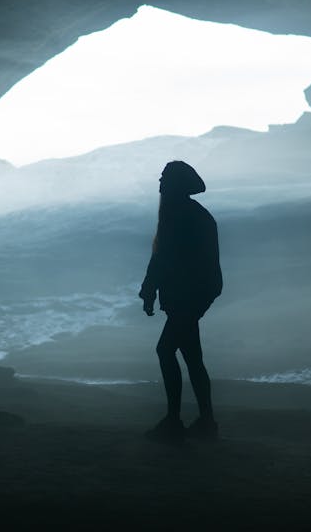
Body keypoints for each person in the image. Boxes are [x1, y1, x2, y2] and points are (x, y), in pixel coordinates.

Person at [139, 161, 222, 442]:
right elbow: (163, 258)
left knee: (166, 350)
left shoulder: (184, 216)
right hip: (189, 296)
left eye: (164, 179)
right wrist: (151, 289)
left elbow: (165, 258)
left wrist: (150, 290)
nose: (160, 183)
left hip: (188, 296)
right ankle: (205, 421)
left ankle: (175, 420)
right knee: (191, 357)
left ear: (174, 184)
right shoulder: (186, 215)